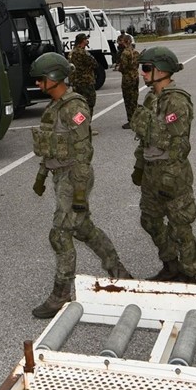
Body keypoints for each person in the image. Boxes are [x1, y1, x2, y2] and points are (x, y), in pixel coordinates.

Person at [29, 52, 131, 318]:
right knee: (84, 229)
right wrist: (41, 176)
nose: (38, 84)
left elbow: (84, 152)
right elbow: (51, 147)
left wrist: (78, 192)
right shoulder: (55, 107)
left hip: (74, 176)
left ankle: (61, 295)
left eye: (41, 79)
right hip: (60, 175)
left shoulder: (75, 108)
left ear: (54, 77)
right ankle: (119, 272)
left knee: (60, 234)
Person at [129, 46, 196, 283]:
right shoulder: (151, 98)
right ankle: (171, 264)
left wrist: (169, 177)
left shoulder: (177, 101)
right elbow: (145, 137)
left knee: (180, 226)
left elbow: (180, 144)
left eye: (146, 68)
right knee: (149, 220)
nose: (142, 73)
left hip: (172, 172)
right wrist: (139, 166)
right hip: (151, 171)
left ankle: (190, 273)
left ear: (161, 70)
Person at [113, 32, 142, 128]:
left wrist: (119, 68)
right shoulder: (135, 52)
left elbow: (124, 67)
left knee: (128, 100)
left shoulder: (125, 53)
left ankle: (131, 121)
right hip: (135, 77)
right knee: (134, 98)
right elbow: (137, 65)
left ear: (125, 42)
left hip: (127, 79)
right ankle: (137, 119)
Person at [68, 32, 98, 110]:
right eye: (86, 39)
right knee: (89, 104)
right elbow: (95, 64)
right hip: (86, 82)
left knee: (78, 105)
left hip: (76, 82)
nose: (87, 41)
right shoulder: (83, 53)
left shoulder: (71, 53)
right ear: (82, 41)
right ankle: (86, 121)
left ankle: (79, 121)